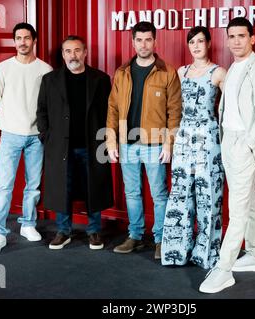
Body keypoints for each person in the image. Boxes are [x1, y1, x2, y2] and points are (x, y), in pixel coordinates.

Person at [199, 17, 255, 293]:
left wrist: (246, 145)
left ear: (253, 38)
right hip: (228, 142)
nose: (235, 41)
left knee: (237, 209)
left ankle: (224, 269)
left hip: (245, 146)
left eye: (241, 36)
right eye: (231, 36)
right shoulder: (234, 66)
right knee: (249, 201)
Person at [106, 21, 182, 259]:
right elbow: (113, 108)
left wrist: (169, 143)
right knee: (132, 193)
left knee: (159, 194)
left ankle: (161, 239)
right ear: (133, 41)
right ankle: (135, 236)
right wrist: (111, 141)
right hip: (127, 143)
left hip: (156, 143)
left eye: (148, 39)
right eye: (139, 39)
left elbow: (175, 112)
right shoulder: (122, 73)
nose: (143, 44)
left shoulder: (167, 72)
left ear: (155, 41)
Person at [36, 35, 114, 250]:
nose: (73, 55)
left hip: (93, 145)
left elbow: (110, 113)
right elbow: (41, 111)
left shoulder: (100, 79)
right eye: (68, 51)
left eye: (77, 50)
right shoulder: (50, 80)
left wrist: (108, 139)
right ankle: (63, 231)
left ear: (85, 52)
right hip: (61, 146)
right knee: (63, 188)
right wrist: (47, 137)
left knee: (94, 188)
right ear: (63, 55)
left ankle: (94, 231)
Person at [161, 26, 226, 269]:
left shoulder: (219, 72)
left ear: (209, 43)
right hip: (183, 137)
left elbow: (232, 107)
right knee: (180, 193)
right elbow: (173, 109)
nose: (196, 46)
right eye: (192, 42)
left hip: (208, 138)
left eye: (200, 41)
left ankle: (207, 254)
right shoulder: (181, 72)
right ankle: (177, 251)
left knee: (208, 194)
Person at [0, 23, 53, 254]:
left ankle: (28, 224)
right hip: (10, 135)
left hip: (36, 137)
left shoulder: (46, 70)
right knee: (4, 185)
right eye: (18, 38)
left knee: (32, 185)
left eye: (26, 38)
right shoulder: (2, 68)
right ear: (14, 41)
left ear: (34, 41)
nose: (22, 42)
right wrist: (12, 119)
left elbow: (47, 105)